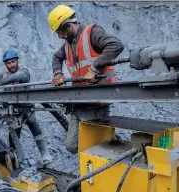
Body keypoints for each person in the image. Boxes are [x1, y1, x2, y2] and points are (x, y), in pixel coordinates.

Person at [48, 5, 124, 153]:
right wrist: (58, 73)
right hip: (80, 104)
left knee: (97, 147)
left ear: (68, 25)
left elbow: (115, 45)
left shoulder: (92, 33)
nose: (60, 36)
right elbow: (57, 57)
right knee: (72, 146)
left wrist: (95, 68)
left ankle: (109, 148)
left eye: (60, 32)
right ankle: (108, 142)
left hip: (97, 103)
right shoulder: (68, 44)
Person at [0, 50, 53, 166]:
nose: (11, 65)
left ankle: (46, 156)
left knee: (35, 128)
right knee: (13, 135)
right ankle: (17, 161)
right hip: (14, 111)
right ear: (6, 64)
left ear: (17, 61)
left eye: (13, 62)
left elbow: (12, 78)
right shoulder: (5, 74)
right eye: (8, 63)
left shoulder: (24, 72)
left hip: (27, 109)